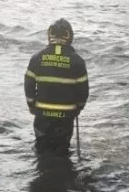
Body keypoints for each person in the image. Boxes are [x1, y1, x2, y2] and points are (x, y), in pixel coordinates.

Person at [24, 18, 89, 156]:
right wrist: (78, 107)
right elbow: (83, 91)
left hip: (42, 113)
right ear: (69, 36)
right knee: (62, 149)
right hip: (66, 116)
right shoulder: (77, 61)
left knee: (41, 148)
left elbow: (28, 84)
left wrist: (31, 104)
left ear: (49, 36)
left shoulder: (37, 58)